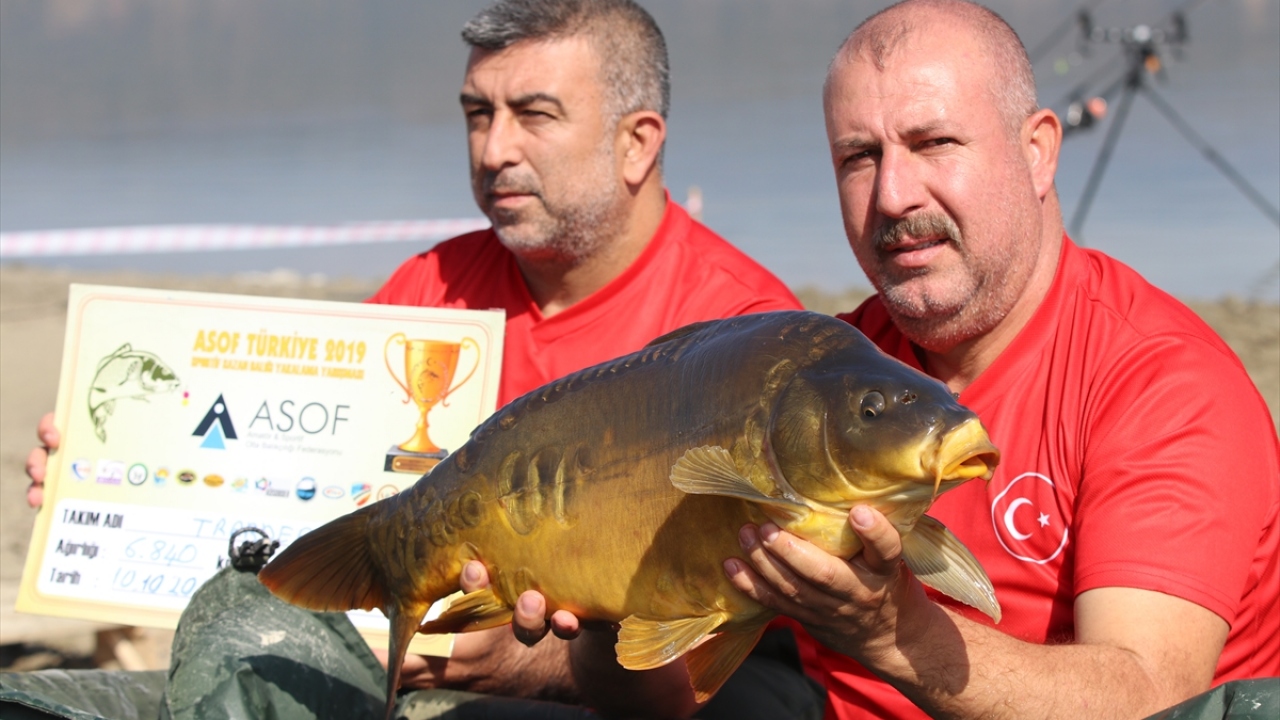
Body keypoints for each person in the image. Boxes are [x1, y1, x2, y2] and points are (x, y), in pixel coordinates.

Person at [23, 1, 814, 717]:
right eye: (478, 113)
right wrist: (117, 467)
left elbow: (734, 669)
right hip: (392, 664)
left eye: (534, 114)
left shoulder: (750, 339)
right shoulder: (431, 287)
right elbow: (309, 481)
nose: (495, 147)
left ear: (636, 143)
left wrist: (529, 664)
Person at [496, 1, 1280, 718]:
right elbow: (675, 695)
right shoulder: (824, 374)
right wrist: (602, 607)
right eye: (858, 158)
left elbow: (1148, 697)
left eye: (934, 142)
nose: (895, 194)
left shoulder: (1161, 382)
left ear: (1038, 151)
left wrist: (891, 633)